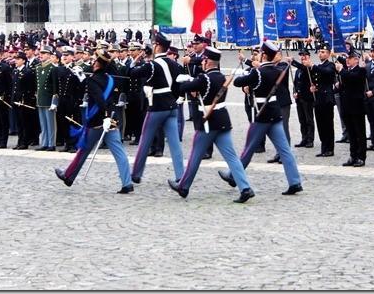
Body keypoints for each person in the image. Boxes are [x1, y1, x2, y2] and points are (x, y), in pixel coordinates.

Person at [169, 47, 255, 203]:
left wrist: (186, 79)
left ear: (207, 61)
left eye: (203, 60)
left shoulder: (204, 79)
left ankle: (183, 186)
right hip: (222, 120)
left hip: (208, 121)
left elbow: (183, 88)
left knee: (195, 156)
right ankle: (245, 188)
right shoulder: (221, 77)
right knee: (232, 157)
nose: (202, 62)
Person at [219, 41, 303, 195]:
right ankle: (295, 181)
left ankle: (233, 176)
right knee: (285, 150)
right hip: (275, 112)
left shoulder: (258, 72)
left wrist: (251, 72)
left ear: (264, 55)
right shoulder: (277, 70)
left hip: (262, 115)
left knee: (248, 149)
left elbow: (238, 82)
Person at [54, 48, 133, 193]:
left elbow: (99, 99)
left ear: (98, 64)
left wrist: (83, 79)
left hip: (97, 121)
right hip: (111, 121)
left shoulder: (92, 80)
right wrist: (109, 116)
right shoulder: (110, 79)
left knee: (83, 150)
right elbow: (109, 98)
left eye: (95, 60)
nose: (92, 62)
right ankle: (127, 183)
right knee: (119, 152)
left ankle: (68, 175)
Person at [129, 32, 185, 184]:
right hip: (172, 106)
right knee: (174, 144)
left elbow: (132, 73)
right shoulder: (174, 64)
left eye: (154, 44)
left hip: (157, 107)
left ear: (158, 46)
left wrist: (135, 60)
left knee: (145, 140)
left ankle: (136, 174)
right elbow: (178, 86)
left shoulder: (152, 65)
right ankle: (181, 175)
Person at [335, 49, 367, 167]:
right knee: (351, 134)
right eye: (347, 59)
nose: (347, 61)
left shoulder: (360, 70)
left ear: (356, 60)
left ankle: (361, 157)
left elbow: (352, 78)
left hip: (357, 107)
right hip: (347, 106)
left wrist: (341, 70)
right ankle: (353, 156)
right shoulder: (346, 71)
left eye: (350, 59)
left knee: (359, 133)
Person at [310, 42, 337, 156]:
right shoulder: (319, 66)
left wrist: (313, 66)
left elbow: (327, 73)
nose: (320, 54)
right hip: (318, 99)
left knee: (328, 125)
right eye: (320, 52)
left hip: (327, 99)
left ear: (329, 54)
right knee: (320, 125)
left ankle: (329, 148)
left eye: (323, 52)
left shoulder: (330, 65)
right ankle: (323, 147)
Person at [290, 49, 316, 150]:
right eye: (301, 55)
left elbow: (304, 69)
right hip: (299, 98)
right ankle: (304, 138)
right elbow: (296, 83)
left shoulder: (309, 68)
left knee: (309, 119)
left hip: (307, 98)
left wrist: (292, 62)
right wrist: (294, 92)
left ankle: (310, 140)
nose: (302, 57)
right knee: (302, 120)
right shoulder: (298, 70)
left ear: (309, 57)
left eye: (304, 55)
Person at [10, 51, 37, 150]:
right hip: (16, 101)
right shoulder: (15, 71)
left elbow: (30, 88)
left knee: (25, 123)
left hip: (24, 102)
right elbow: (14, 87)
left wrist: (25, 100)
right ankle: (19, 141)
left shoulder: (28, 72)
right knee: (19, 123)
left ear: (23, 60)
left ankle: (24, 142)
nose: (16, 61)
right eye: (15, 59)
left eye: (18, 59)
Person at [35, 45, 59, 151]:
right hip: (41, 98)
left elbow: (55, 87)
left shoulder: (53, 68)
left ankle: (51, 143)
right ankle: (44, 142)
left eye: (44, 53)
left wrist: (55, 101)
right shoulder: (38, 68)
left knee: (50, 123)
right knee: (43, 123)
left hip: (49, 99)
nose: (41, 55)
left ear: (49, 55)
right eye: (41, 53)